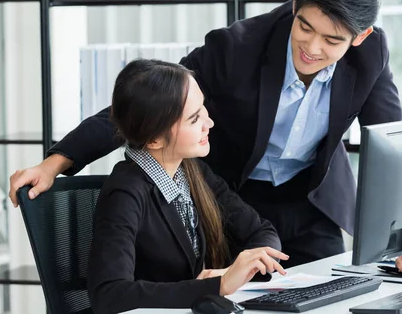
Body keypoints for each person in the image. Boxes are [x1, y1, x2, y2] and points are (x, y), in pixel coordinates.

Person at [10, 0, 402, 282]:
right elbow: (151, 105)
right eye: (305, 26)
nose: (312, 47)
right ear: (295, 1)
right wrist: (57, 161)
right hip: (234, 202)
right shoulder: (237, 48)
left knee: (330, 298)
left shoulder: (371, 54)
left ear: (360, 36)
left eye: (332, 40)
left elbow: (391, 147)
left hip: (312, 202)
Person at [87, 59, 287, 313]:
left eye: (203, 109)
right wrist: (218, 284)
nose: (209, 123)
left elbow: (260, 231)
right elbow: (109, 294)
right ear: (155, 139)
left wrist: (242, 267)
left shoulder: (192, 170)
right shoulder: (125, 192)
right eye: (194, 119)